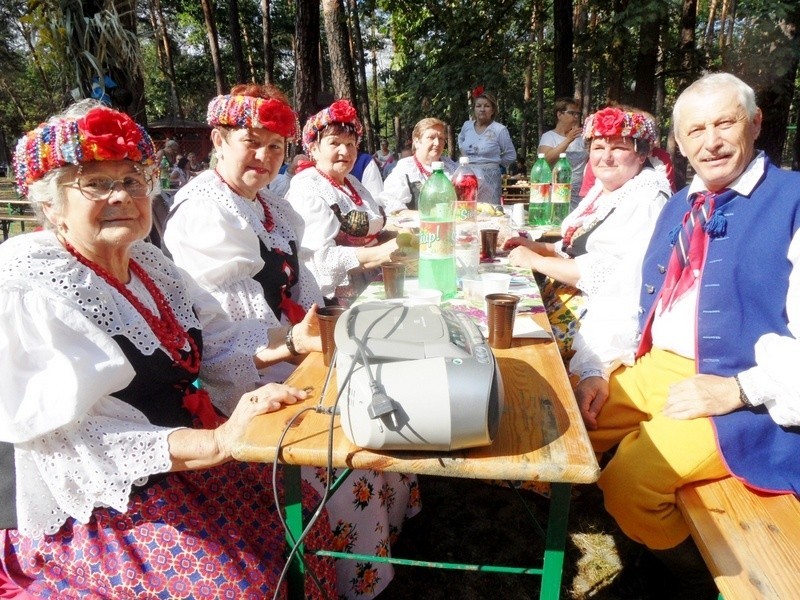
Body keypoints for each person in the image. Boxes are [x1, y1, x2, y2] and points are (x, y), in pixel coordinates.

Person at [0, 100, 336, 598]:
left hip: (176, 457)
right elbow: (80, 442)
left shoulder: (148, 265)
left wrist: (291, 342)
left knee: (303, 513)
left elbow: (214, 350)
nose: (122, 196)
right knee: (241, 587)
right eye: (96, 183)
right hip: (96, 499)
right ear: (49, 204)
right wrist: (218, 444)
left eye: (133, 181)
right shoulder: (27, 282)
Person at [165, 88, 420, 599]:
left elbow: (301, 288)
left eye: (276, 147)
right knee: (344, 433)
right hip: (247, 371)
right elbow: (225, 338)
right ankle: (352, 578)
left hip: (290, 346)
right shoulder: (207, 212)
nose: (264, 156)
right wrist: (303, 343)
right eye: (251, 143)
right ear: (218, 140)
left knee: (386, 389)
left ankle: (383, 548)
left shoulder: (269, 207)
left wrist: (325, 330)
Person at [572, 72, 800, 597]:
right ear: (679, 141)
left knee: (627, 483)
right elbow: (632, 297)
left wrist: (740, 391)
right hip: (660, 366)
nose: (711, 141)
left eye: (725, 123)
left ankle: (690, 576)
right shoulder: (679, 205)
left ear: (756, 124)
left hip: (747, 390)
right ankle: (646, 536)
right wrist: (597, 368)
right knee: (571, 427)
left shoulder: (792, 201)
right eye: (695, 130)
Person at [504, 107, 670, 357]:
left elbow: (607, 274)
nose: (606, 157)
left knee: (518, 352)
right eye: (599, 148)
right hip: (566, 299)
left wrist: (536, 261)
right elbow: (580, 247)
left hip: (600, 325)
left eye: (619, 148)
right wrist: (538, 247)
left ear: (642, 154)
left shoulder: (645, 199)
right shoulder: (608, 190)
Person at [287, 99, 398, 305]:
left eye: (350, 144)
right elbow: (320, 260)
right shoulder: (308, 188)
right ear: (314, 148)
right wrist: (383, 252)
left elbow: (371, 231)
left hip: (371, 283)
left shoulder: (352, 182)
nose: (345, 152)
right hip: (335, 300)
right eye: (334, 143)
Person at [378, 117, 457, 214]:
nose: (437, 143)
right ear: (416, 142)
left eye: (441, 138)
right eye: (431, 138)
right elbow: (393, 205)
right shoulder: (406, 168)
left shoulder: (452, 168)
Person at [457, 89, 516, 204]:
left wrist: (495, 164)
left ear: (493, 110)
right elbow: (460, 140)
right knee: (467, 207)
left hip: (490, 177)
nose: (482, 109)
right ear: (474, 109)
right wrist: (464, 155)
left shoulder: (499, 129)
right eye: (478, 106)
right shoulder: (467, 126)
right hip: (468, 175)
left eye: (487, 106)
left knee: (490, 210)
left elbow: (511, 155)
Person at [538, 97, 589, 210]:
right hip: (558, 191)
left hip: (580, 191)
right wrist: (568, 140)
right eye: (571, 113)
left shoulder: (581, 138)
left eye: (577, 114)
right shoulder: (549, 137)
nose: (576, 117)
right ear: (559, 114)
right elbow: (545, 161)